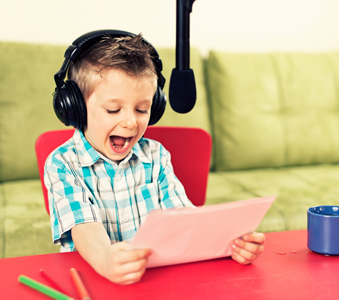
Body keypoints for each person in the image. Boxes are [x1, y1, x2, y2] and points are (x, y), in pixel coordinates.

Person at [45, 30, 265, 285]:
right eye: (113, 109)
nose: (130, 122)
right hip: (94, 279)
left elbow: (183, 218)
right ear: (76, 108)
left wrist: (230, 244)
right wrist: (105, 258)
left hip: (157, 279)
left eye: (142, 109)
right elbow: (84, 227)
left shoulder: (156, 156)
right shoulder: (62, 164)